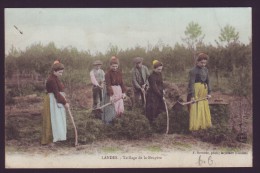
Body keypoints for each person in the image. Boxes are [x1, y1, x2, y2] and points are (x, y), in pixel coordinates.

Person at [41, 60, 69, 146]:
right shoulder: (51, 80)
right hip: (51, 101)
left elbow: (60, 90)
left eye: (62, 72)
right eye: (60, 72)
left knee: (56, 119)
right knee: (51, 119)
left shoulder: (55, 78)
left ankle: (56, 137)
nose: (61, 74)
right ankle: (49, 140)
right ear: (54, 71)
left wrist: (64, 99)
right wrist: (65, 102)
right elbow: (56, 93)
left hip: (55, 100)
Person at [187, 53, 212, 131]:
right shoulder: (193, 71)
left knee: (203, 107)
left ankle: (203, 126)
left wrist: (209, 93)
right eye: (201, 62)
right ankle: (196, 127)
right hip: (196, 91)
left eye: (205, 63)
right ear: (197, 61)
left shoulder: (206, 70)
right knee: (196, 108)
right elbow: (191, 83)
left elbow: (208, 81)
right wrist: (193, 96)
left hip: (203, 91)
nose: (203, 64)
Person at [102, 56, 126, 123]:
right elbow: (108, 85)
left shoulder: (119, 73)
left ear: (118, 66)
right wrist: (111, 96)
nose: (115, 68)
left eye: (116, 66)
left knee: (120, 105)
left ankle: (120, 119)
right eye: (113, 66)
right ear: (110, 66)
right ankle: (113, 120)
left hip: (119, 90)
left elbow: (122, 83)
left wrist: (123, 92)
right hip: (112, 90)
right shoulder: (107, 74)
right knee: (113, 106)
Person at [145, 60, 165, 124]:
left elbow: (161, 83)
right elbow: (154, 87)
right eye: (158, 69)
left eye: (161, 69)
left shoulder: (160, 74)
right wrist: (161, 95)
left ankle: (158, 122)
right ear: (154, 68)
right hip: (152, 95)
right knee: (153, 109)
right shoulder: (151, 76)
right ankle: (152, 123)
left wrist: (163, 90)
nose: (160, 71)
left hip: (159, 93)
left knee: (160, 107)